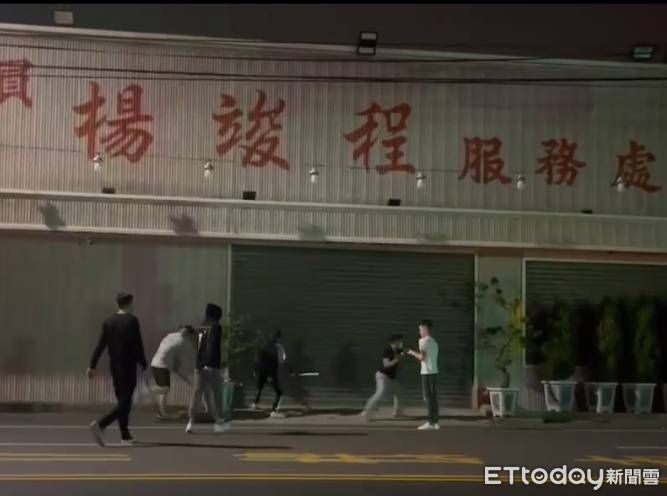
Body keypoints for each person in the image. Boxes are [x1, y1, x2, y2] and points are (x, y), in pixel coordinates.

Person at [87, 292, 147, 447]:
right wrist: (144, 364)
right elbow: (137, 345)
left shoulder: (108, 322)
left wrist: (92, 365)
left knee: (122, 400)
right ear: (130, 303)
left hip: (115, 367)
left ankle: (125, 435)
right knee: (126, 402)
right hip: (128, 366)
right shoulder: (132, 321)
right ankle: (101, 424)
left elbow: (100, 345)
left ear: (117, 303)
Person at [186, 303, 229, 434]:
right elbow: (214, 345)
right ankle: (219, 421)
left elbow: (197, 346)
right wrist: (217, 362)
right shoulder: (216, 326)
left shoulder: (201, 327)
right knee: (218, 393)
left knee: (197, 393)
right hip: (212, 365)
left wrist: (200, 362)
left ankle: (190, 422)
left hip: (199, 365)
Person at [150, 325, 197, 420]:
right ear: (189, 334)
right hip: (162, 365)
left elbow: (169, 352)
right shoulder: (183, 341)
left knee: (164, 391)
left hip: (155, 363)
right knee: (165, 389)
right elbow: (186, 355)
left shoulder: (170, 335)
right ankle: (150, 389)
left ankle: (162, 413)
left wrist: (187, 379)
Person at [360, 334, 405, 421]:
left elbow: (399, 364)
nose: (401, 343)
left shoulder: (399, 351)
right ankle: (366, 412)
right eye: (400, 341)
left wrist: (401, 358)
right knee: (380, 393)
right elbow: (386, 364)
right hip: (382, 376)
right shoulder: (388, 351)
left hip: (391, 377)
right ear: (394, 342)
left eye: (401, 341)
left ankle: (398, 412)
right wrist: (396, 360)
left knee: (398, 391)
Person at [407, 319, 440, 430]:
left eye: (420, 329)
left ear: (425, 329)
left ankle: (430, 422)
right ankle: (435, 422)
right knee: (434, 397)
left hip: (426, 373)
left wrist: (412, 352)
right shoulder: (434, 342)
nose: (419, 332)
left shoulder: (422, 341)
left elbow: (422, 357)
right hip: (434, 372)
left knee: (428, 398)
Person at [252, 330, 286, 418]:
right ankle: (274, 411)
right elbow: (281, 361)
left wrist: (255, 370)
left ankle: (254, 404)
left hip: (261, 371)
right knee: (279, 392)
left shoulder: (264, 345)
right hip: (270, 373)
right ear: (278, 338)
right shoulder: (277, 347)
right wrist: (271, 375)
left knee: (260, 388)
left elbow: (257, 359)